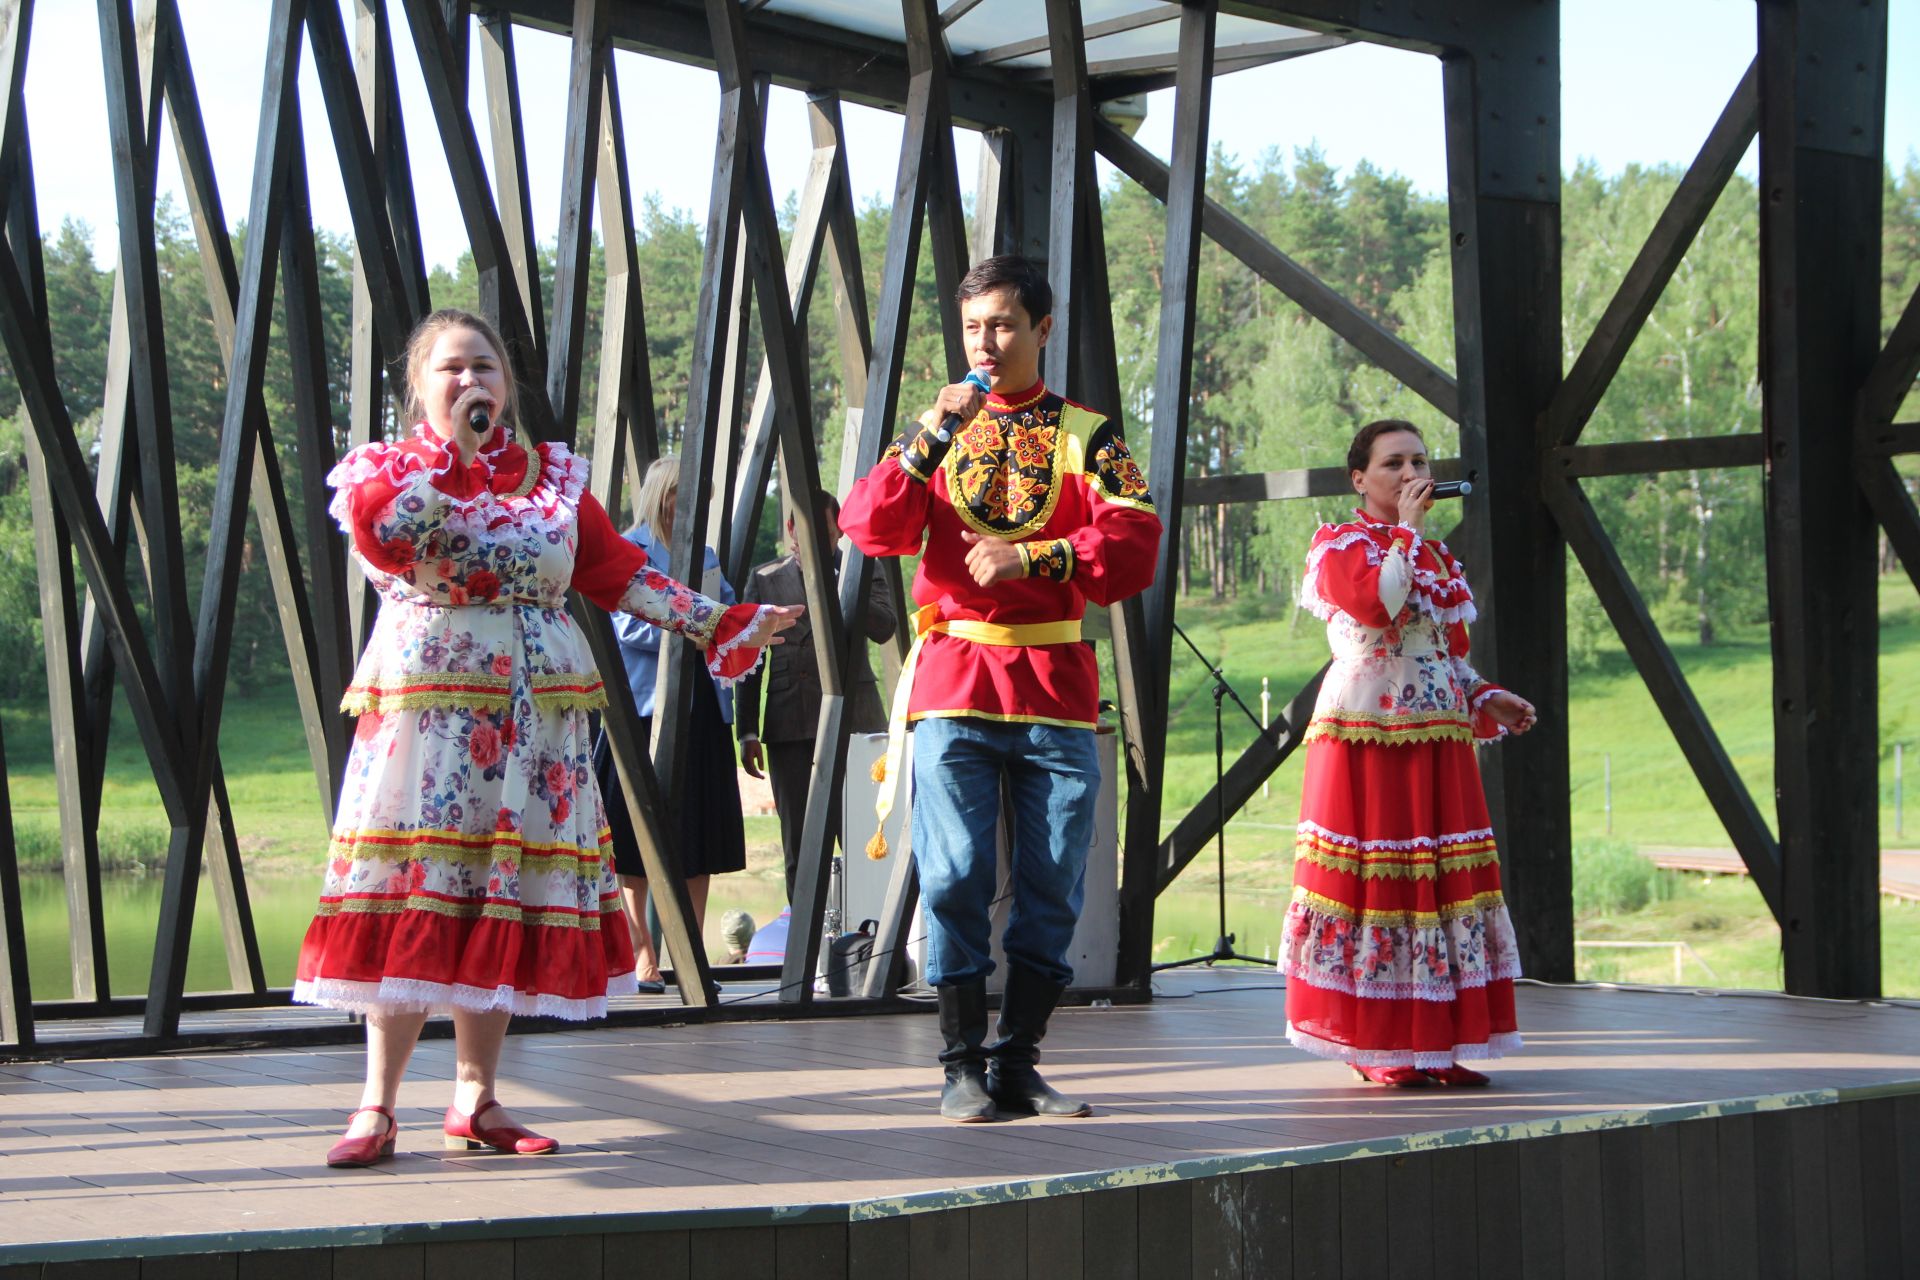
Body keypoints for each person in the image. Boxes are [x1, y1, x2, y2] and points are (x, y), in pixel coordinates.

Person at [295, 308, 799, 1168]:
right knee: (419, 889)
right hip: (431, 722)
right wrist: (453, 457)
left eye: (484, 368)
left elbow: (617, 574)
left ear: (509, 384)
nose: (471, 383)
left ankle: (475, 1099)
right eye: (451, 369)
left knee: (501, 896)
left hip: (531, 725)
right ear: (418, 387)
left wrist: (722, 621)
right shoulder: (389, 471)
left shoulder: (550, 481)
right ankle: (376, 1106)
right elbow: (386, 537)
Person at [840, 254, 1162, 1123]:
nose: (986, 342)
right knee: (952, 875)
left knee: (1055, 881)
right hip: (954, 682)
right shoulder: (937, 431)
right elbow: (869, 527)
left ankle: (1018, 1060)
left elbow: (1134, 543)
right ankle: (958, 1066)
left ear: (1042, 330)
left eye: (1004, 325)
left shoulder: (1090, 436)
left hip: (1055, 684)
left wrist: (1041, 555)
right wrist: (927, 439)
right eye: (974, 326)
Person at [1282, 418, 1536, 1087]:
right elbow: (1375, 604)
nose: (1410, 473)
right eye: (1393, 463)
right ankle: (1377, 1044)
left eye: (1419, 461)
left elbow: (1446, 654)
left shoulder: (1435, 557)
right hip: (1367, 742)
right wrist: (1406, 531)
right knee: (1379, 888)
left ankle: (1435, 1042)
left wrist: (1486, 696)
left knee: (1439, 888)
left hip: (1437, 741)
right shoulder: (1339, 544)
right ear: (1359, 478)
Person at [594, 456, 752, 994]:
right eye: (681, 496)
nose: (690, 508)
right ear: (660, 495)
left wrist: (740, 623)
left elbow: (728, 618)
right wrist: (693, 622)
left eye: (698, 498)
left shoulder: (706, 558)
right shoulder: (629, 550)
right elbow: (623, 627)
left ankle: (692, 952)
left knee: (699, 836)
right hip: (644, 710)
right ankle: (644, 955)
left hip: (702, 710)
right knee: (636, 840)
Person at [736, 489, 896, 901]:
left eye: (830, 535)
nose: (825, 543)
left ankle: (865, 937)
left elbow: (884, 627)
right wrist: (747, 731)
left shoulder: (861, 569)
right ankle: (805, 949)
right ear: (792, 531)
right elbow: (749, 662)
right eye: (814, 535)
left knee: (863, 835)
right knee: (801, 847)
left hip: (856, 725)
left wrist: (838, 585)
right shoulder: (765, 578)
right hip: (790, 725)